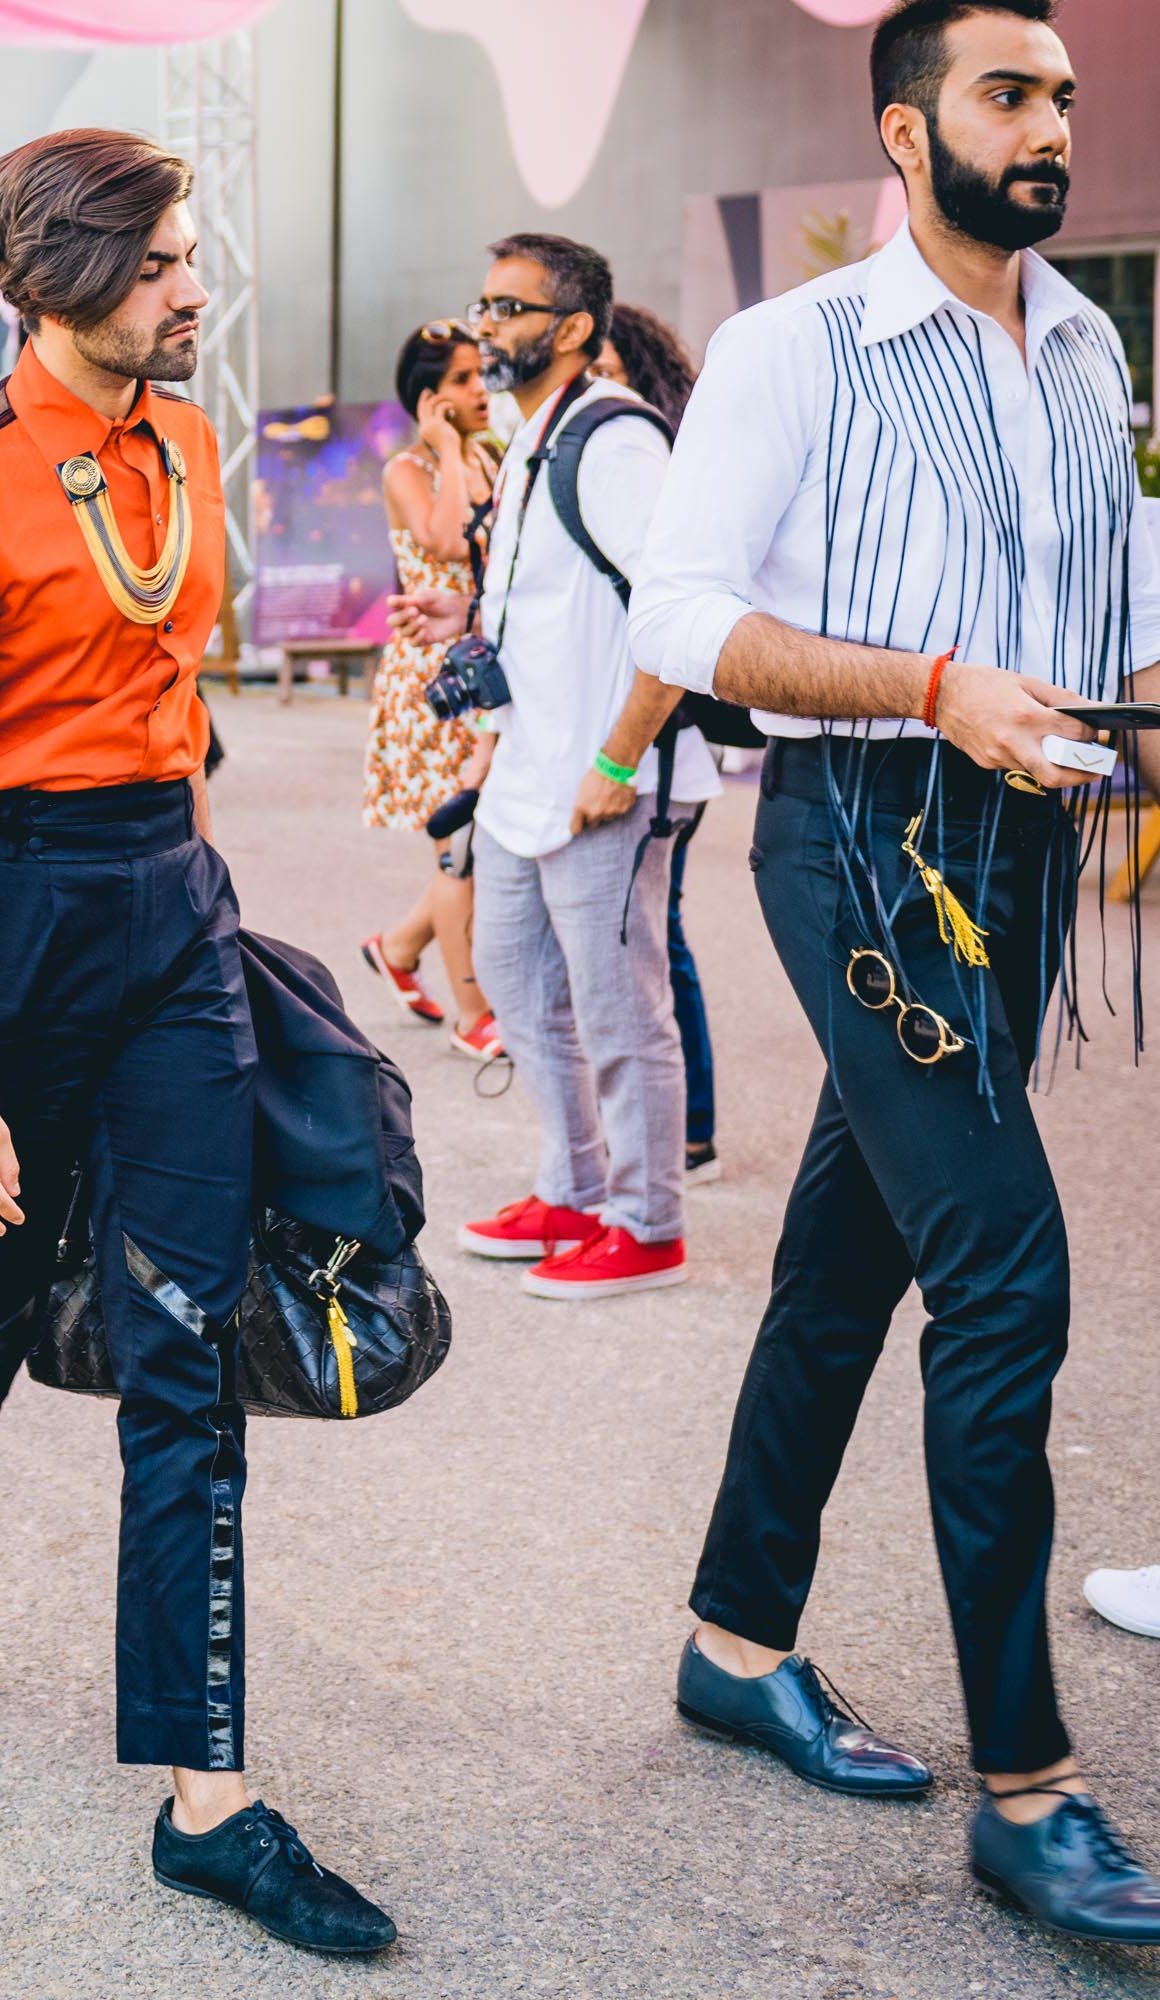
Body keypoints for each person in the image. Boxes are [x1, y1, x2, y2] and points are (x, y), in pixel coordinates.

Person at [627, 0, 1160, 1945]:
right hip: (860, 834)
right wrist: (934, 685)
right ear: (903, 121)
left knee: (851, 1254)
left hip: (1023, 848)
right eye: (1007, 94)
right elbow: (679, 611)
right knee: (1005, 1263)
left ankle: (732, 1631)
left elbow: (1107, 586)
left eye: (1064, 99)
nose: (1047, 127)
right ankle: (1028, 1786)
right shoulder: (797, 350)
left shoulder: (1089, 340)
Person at [0, 127, 396, 1956]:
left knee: (188, 1343)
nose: (191, 285)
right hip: (8, 923)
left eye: (187, 253)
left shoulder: (181, 446)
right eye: (159, 262)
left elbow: (172, 714)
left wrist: (212, 924)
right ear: (63, 277)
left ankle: (207, 1801)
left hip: (170, 913)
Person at [392, 234, 718, 1298]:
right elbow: (552, 594)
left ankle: (646, 1220)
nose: (485, 325)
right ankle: (572, 1188)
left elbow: (675, 613)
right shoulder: (534, 437)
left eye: (511, 307)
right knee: (522, 996)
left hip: (599, 785)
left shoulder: (614, 442)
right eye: (482, 303)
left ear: (573, 328)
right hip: (524, 779)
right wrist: (467, 613)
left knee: (620, 1012)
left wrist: (616, 761)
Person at [593, 305, 722, 1185]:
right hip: (659, 749)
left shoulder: (633, 453)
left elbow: (670, 620)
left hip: (658, 748)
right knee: (654, 937)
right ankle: (683, 1131)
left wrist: (615, 757)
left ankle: (688, 1134)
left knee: (653, 944)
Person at [358, 322, 503, 1062]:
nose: (483, 389)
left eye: (482, 374)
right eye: (464, 379)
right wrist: (447, 450)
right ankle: (475, 1012)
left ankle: (399, 946)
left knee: (484, 833)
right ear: (431, 400)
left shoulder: (492, 456)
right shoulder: (409, 468)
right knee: (461, 848)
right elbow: (447, 544)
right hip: (438, 678)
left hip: (491, 666)